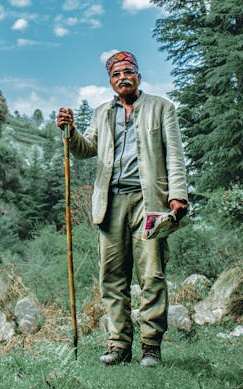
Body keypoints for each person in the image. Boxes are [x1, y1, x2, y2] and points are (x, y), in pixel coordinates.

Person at [57, 51, 188, 366]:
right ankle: (119, 346)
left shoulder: (161, 108)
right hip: (110, 203)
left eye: (128, 72)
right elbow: (85, 150)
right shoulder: (102, 113)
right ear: (111, 81)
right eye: (116, 75)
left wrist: (178, 194)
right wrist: (70, 132)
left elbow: (174, 153)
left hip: (149, 202)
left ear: (138, 76)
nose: (122, 78)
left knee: (151, 275)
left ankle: (151, 345)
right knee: (112, 277)